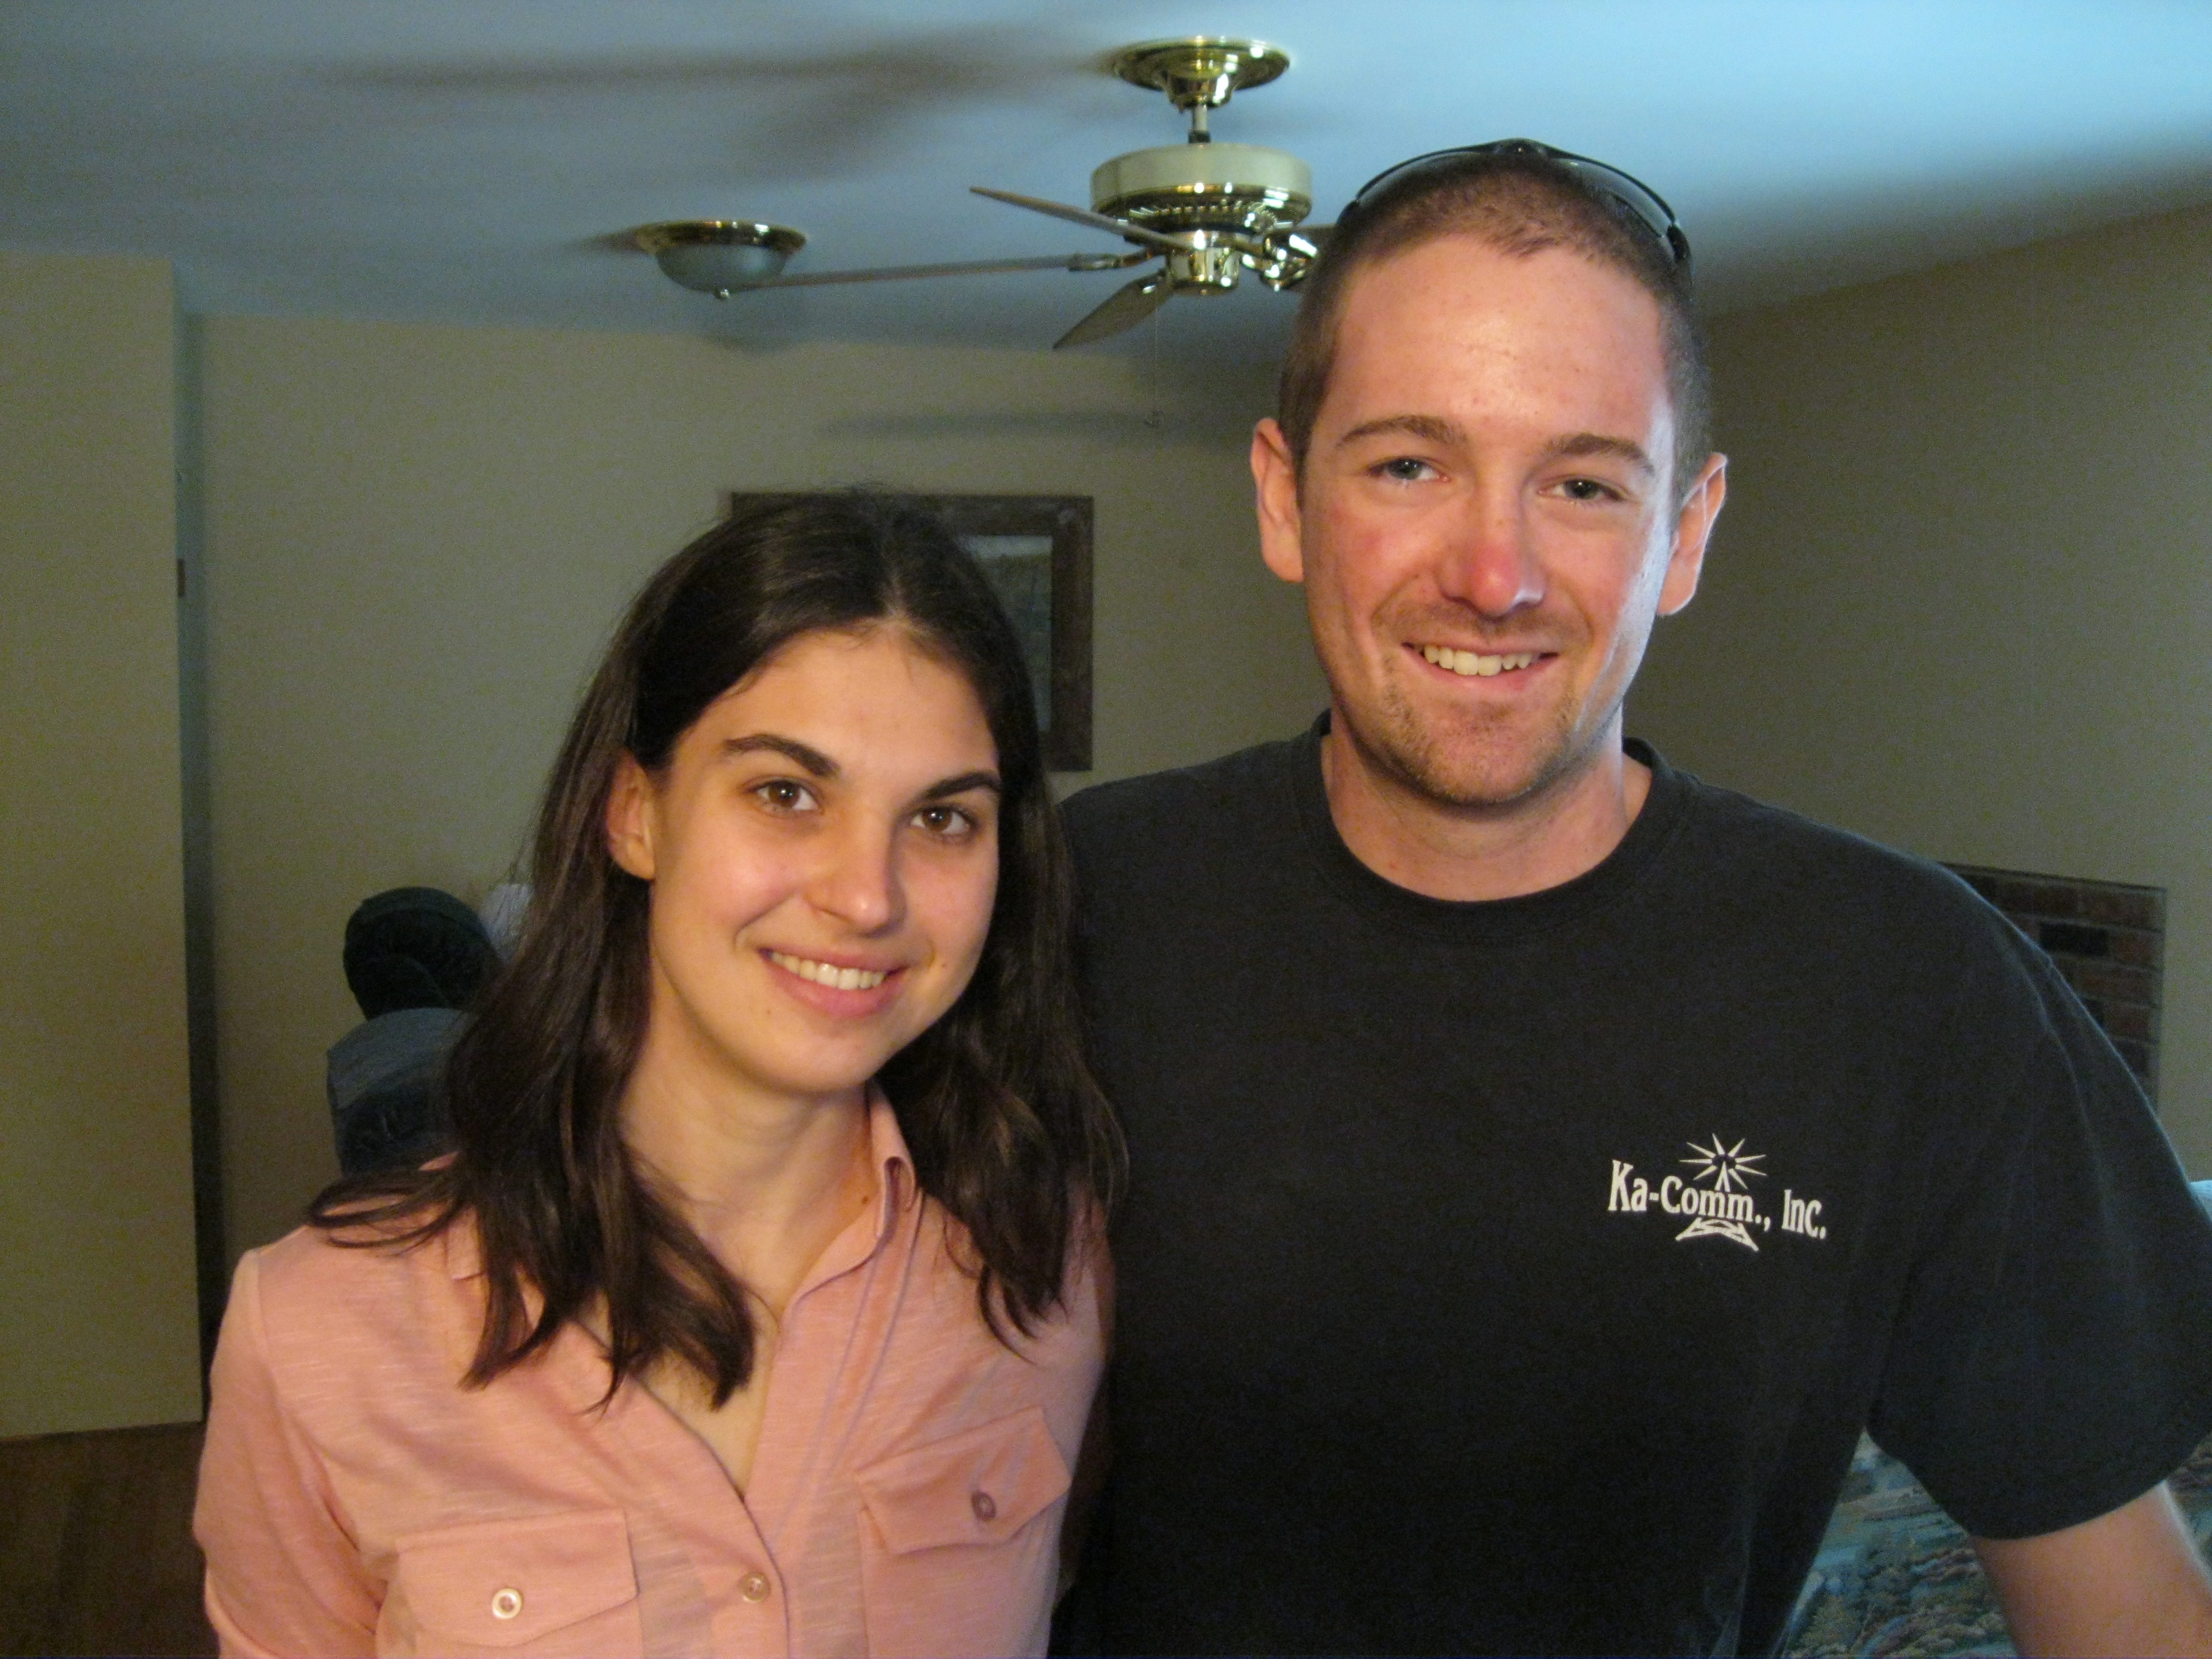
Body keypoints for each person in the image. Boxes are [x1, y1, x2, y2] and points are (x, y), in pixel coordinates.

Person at [1055, 141, 2212, 1655]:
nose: (1494, 574)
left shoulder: (1913, 989)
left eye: (1585, 483)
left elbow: (2133, 1617)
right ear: (1284, 499)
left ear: (1688, 531)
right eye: (1407, 465)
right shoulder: (1069, 908)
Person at [195, 496, 1121, 1658]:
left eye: (941, 817)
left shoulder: (1050, 1268)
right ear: (634, 813)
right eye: (786, 793)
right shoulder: (319, 1331)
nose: (866, 896)